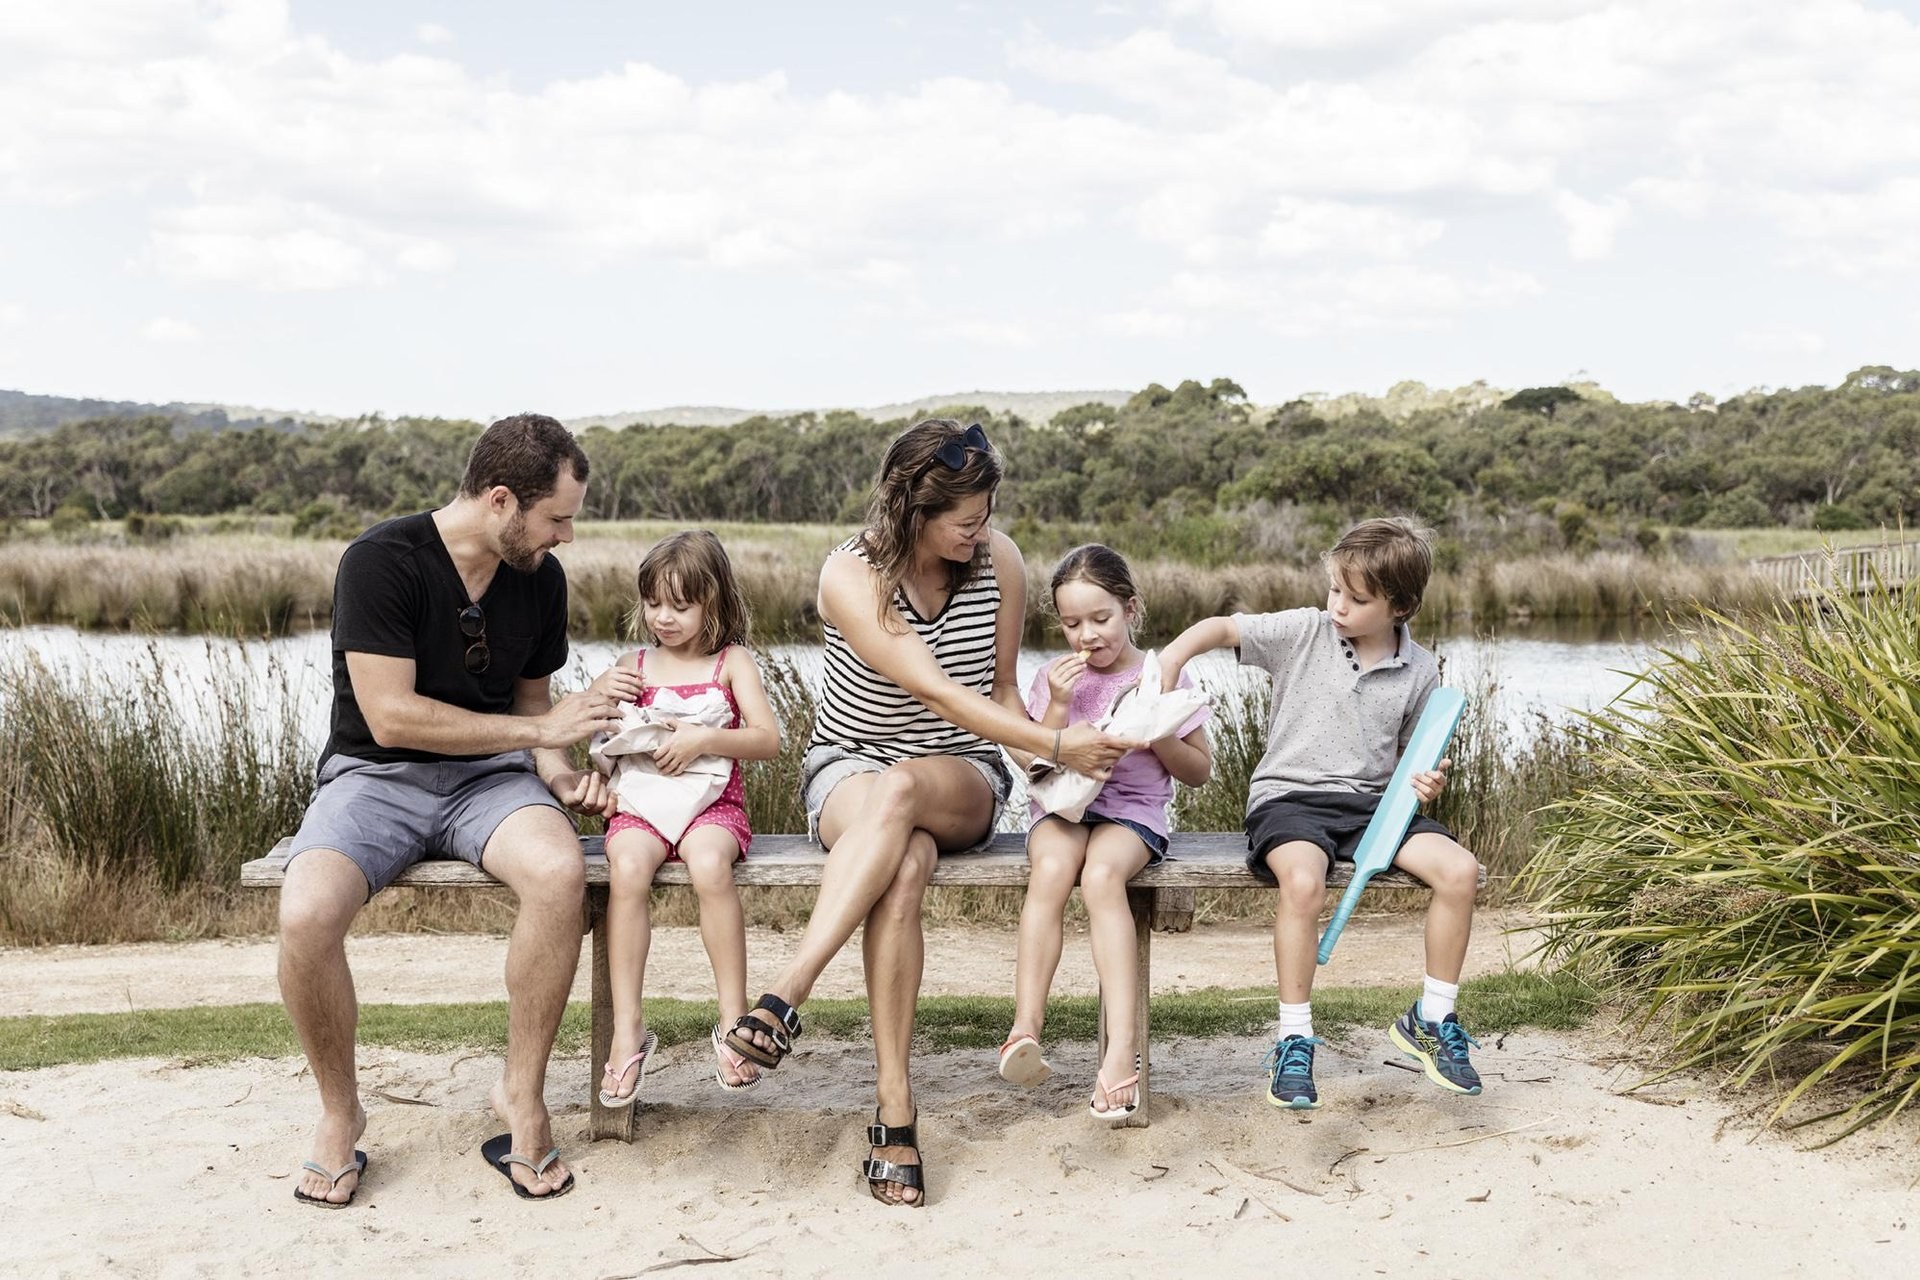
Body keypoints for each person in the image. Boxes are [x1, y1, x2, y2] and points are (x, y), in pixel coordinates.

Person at [722, 418, 1141, 1208]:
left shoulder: (1003, 561)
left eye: (987, 515)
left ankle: (782, 999)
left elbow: (1001, 690)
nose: (982, 533)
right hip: (847, 769)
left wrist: (1052, 767)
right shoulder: (850, 575)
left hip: (962, 774)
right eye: (966, 520)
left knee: (909, 790)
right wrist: (1059, 737)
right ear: (913, 509)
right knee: (904, 860)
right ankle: (896, 1111)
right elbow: (937, 689)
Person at [278, 413, 627, 1205]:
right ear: (502, 500)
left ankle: (521, 1096)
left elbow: (535, 708)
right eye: (558, 517)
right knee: (305, 913)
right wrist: (540, 729)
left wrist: (562, 772)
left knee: (559, 869)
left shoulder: (538, 577)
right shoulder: (380, 561)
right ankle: (341, 1115)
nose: (566, 537)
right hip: (376, 776)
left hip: (492, 780)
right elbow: (391, 716)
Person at [1158, 516, 1484, 1111]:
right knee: (1303, 882)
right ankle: (1294, 1035)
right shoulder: (1303, 632)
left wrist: (1425, 784)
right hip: (1289, 799)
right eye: (1335, 589)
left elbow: (1414, 760)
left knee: (1461, 872)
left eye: (1357, 599)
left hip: (1375, 807)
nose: (1338, 605)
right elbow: (1218, 628)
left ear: (1401, 607)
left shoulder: (1421, 671)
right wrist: (1170, 662)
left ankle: (1431, 1018)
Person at [999, 544, 1211, 1119]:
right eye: (1072, 624)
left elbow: (1199, 771)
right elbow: (1038, 760)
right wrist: (1061, 703)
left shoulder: (1162, 674)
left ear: (1130, 609)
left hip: (1132, 812)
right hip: (1065, 808)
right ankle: (1025, 1027)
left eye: (1101, 619)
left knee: (1100, 878)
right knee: (1050, 870)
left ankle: (1121, 1053)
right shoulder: (1053, 677)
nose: (1088, 635)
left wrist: (1158, 730)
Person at [590, 530, 781, 1103]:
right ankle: (627, 1032)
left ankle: (732, 1021)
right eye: (653, 604)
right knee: (626, 868)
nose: (663, 618)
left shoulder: (732, 663)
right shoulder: (634, 664)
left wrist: (703, 738)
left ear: (713, 602)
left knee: (708, 866)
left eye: (680, 605)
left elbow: (768, 740)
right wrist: (608, 711)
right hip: (643, 803)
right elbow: (598, 731)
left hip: (712, 806)